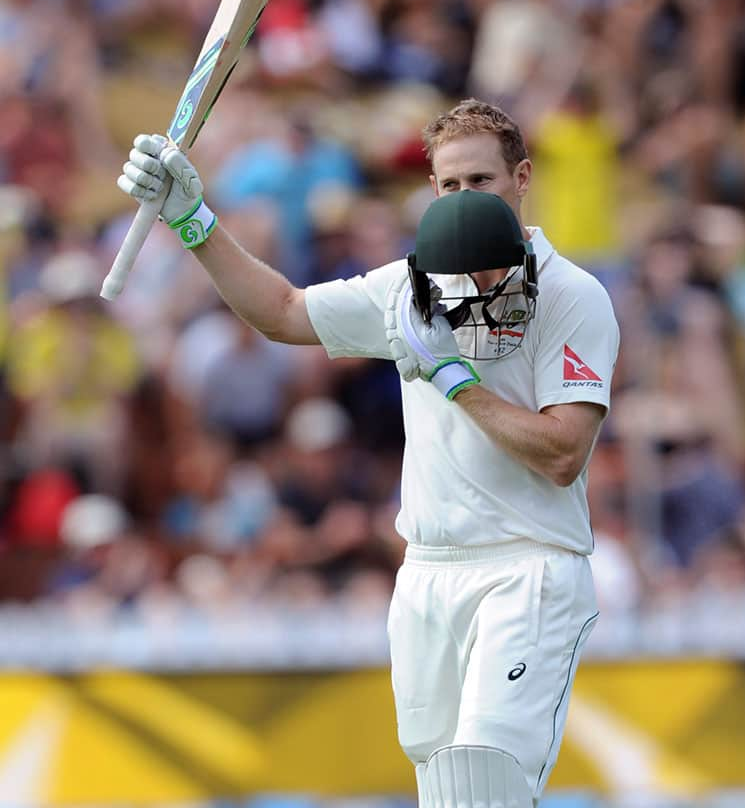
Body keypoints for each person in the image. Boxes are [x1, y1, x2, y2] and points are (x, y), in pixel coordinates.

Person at [117, 98, 619, 808]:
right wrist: (193, 223)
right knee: (441, 789)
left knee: (483, 783)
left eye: (480, 181)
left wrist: (452, 377)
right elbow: (284, 313)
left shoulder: (572, 295)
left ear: (521, 177)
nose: (463, 198)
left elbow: (563, 451)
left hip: (527, 567)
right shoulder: (408, 287)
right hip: (425, 571)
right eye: (448, 185)